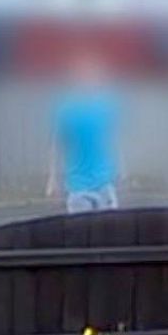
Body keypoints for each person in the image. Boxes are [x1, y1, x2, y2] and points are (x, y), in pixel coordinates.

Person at [48, 51, 122, 213]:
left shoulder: (106, 105)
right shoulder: (66, 109)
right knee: (81, 235)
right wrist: (53, 179)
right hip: (78, 186)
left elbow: (111, 140)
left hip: (103, 183)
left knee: (111, 233)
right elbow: (58, 143)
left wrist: (119, 169)